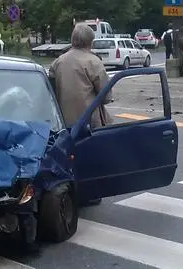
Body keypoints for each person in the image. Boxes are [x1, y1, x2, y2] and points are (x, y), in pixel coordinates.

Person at [49, 23, 114, 205]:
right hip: (88, 121)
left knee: (69, 160)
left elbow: (51, 89)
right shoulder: (93, 62)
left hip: (63, 121)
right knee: (92, 158)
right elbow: (106, 96)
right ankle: (91, 193)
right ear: (90, 41)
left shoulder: (59, 61)